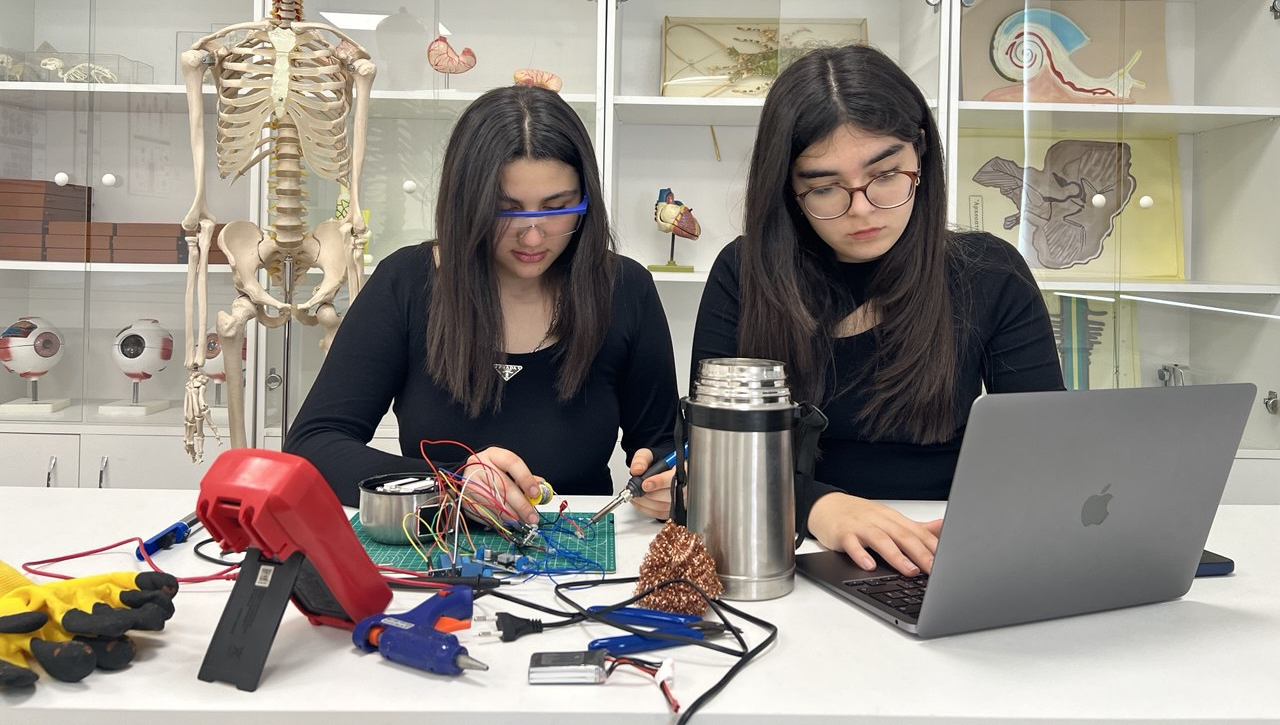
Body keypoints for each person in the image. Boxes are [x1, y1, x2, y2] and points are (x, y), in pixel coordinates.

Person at [691, 44, 1064, 577]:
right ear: (787, 190)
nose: (861, 209)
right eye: (823, 188)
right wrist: (821, 505)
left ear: (921, 155)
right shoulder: (746, 272)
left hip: (942, 548)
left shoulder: (990, 272)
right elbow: (714, 454)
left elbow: (1044, 452)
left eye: (885, 175)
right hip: (781, 548)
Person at [286, 85, 680, 525]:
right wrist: (451, 485)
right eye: (504, 210)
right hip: (440, 543)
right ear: (465, 204)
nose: (533, 237)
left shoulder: (625, 289)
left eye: (557, 208)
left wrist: (673, 480)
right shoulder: (407, 282)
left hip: (578, 544)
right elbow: (314, 445)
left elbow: (662, 445)